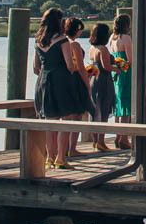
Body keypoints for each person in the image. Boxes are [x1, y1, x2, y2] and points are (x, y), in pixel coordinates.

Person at [35, 13, 93, 169]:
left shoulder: (38, 40)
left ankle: (49, 158)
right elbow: (69, 65)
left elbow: (36, 67)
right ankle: (61, 158)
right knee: (66, 120)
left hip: (44, 81)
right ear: (58, 22)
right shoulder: (62, 40)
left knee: (50, 120)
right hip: (62, 81)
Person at [85, 22, 116, 153]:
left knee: (94, 109)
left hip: (93, 78)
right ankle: (101, 141)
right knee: (104, 108)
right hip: (103, 79)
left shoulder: (92, 49)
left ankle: (95, 140)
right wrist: (118, 69)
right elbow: (106, 66)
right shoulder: (103, 49)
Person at [106, 14, 135, 150]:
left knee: (118, 102)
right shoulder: (126, 38)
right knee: (126, 103)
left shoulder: (112, 38)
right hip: (125, 71)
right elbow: (130, 59)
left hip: (115, 71)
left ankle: (118, 136)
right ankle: (124, 138)